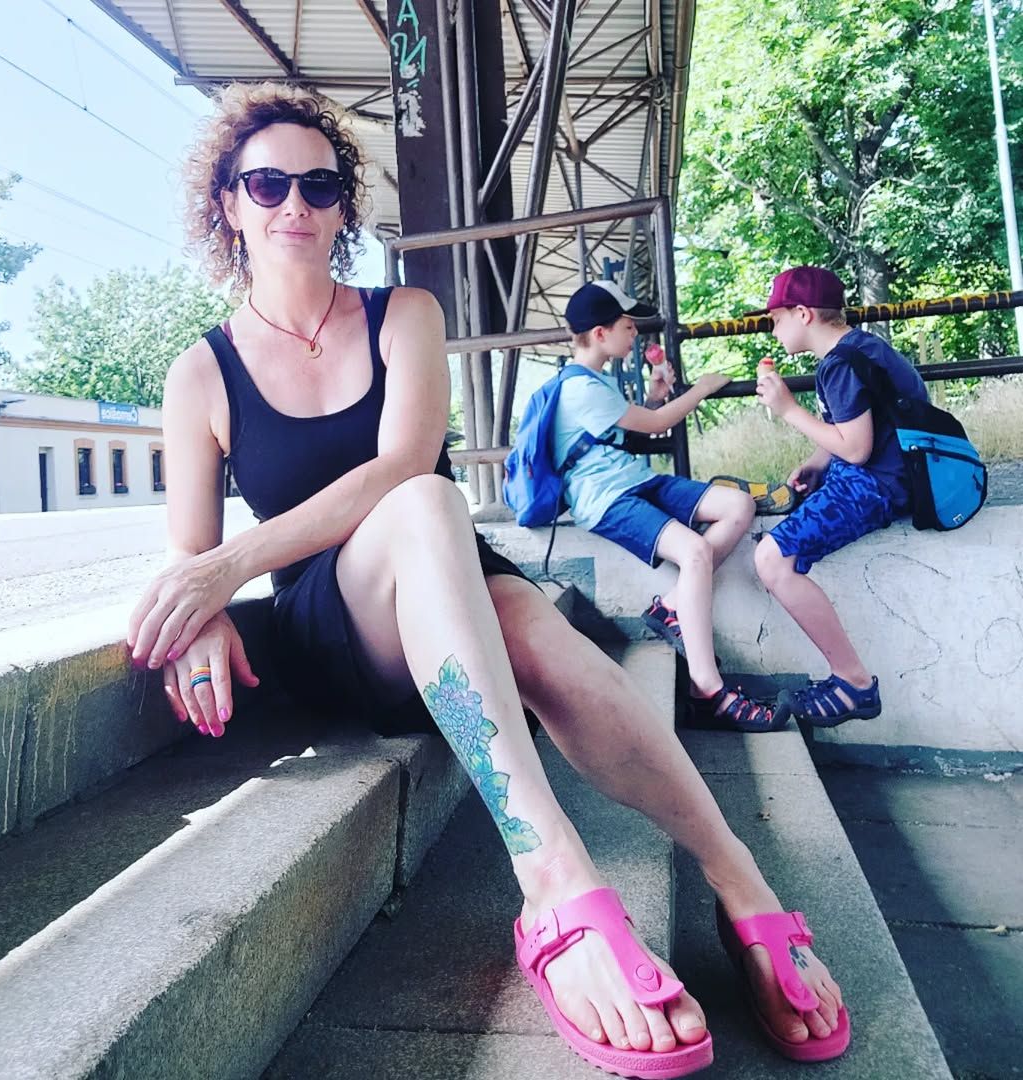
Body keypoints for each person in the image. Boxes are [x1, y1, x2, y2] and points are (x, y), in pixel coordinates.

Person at [126, 84, 848, 1075]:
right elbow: (191, 546)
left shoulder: (403, 314)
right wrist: (204, 600)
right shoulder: (201, 373)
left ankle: (739, 880)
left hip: (457, 581)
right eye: (266, 184)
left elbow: (400, 460)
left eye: (319, 185)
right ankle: (552, 874)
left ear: (342, 208)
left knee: (496, 583)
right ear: (227, 204)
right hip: (343, 625)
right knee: (430, 505)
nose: (294, 203)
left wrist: (224, 567)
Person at [553, 282, 780, 733]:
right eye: (627, 325)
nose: (635, 332)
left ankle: (673, 605)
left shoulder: (597, 381)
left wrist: (657, 395)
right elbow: (656, 424)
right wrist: (702, 388)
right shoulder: (577, 387)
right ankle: (708, 689)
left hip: (634, 479)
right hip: (606, 498)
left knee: (738, 505)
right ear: (600, 333)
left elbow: (630, 428)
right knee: (695, 552)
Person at [751, 266, 928, 726]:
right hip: (890, 474)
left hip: (877, 485)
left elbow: (857, 449)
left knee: (771, 559)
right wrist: (817, 462)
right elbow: (854, 430)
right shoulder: (861, 347)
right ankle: (851, 682)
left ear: (803, 313)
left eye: (776, 318)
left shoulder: (839, 364)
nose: (773, 329)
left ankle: (855, 684)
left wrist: (787, 409)